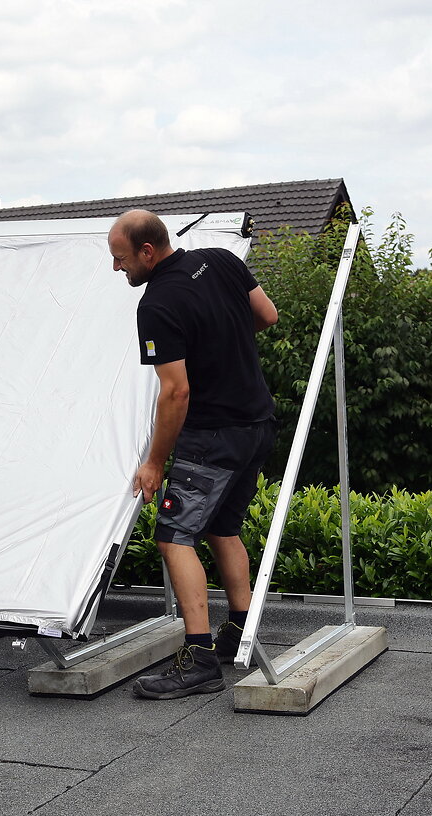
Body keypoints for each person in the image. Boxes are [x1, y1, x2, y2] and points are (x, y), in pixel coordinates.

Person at [108, 210, 279, 699]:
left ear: (146, 251)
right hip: (257, 425)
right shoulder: (221, 261)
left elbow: (175, 393)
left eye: (120, 259)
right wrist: (226, 352)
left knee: (174, 537)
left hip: (212, 436)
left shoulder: (158, 303)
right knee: (224, 527)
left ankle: (200, 657)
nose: (117, 269)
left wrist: (154, 463)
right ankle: (240, 630)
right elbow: (267, 315)